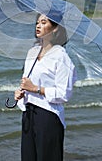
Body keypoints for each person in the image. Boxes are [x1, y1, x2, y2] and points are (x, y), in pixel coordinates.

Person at [14, 13, 77, 161]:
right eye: (37, 22)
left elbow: (64, 93)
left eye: (43, 22)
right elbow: (26, 82)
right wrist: (20, 93)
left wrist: (36, 88)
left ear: (55, 28)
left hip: (48, 115)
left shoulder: (61, 56)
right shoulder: (32, 52)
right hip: (28, 114)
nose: (38, 25)